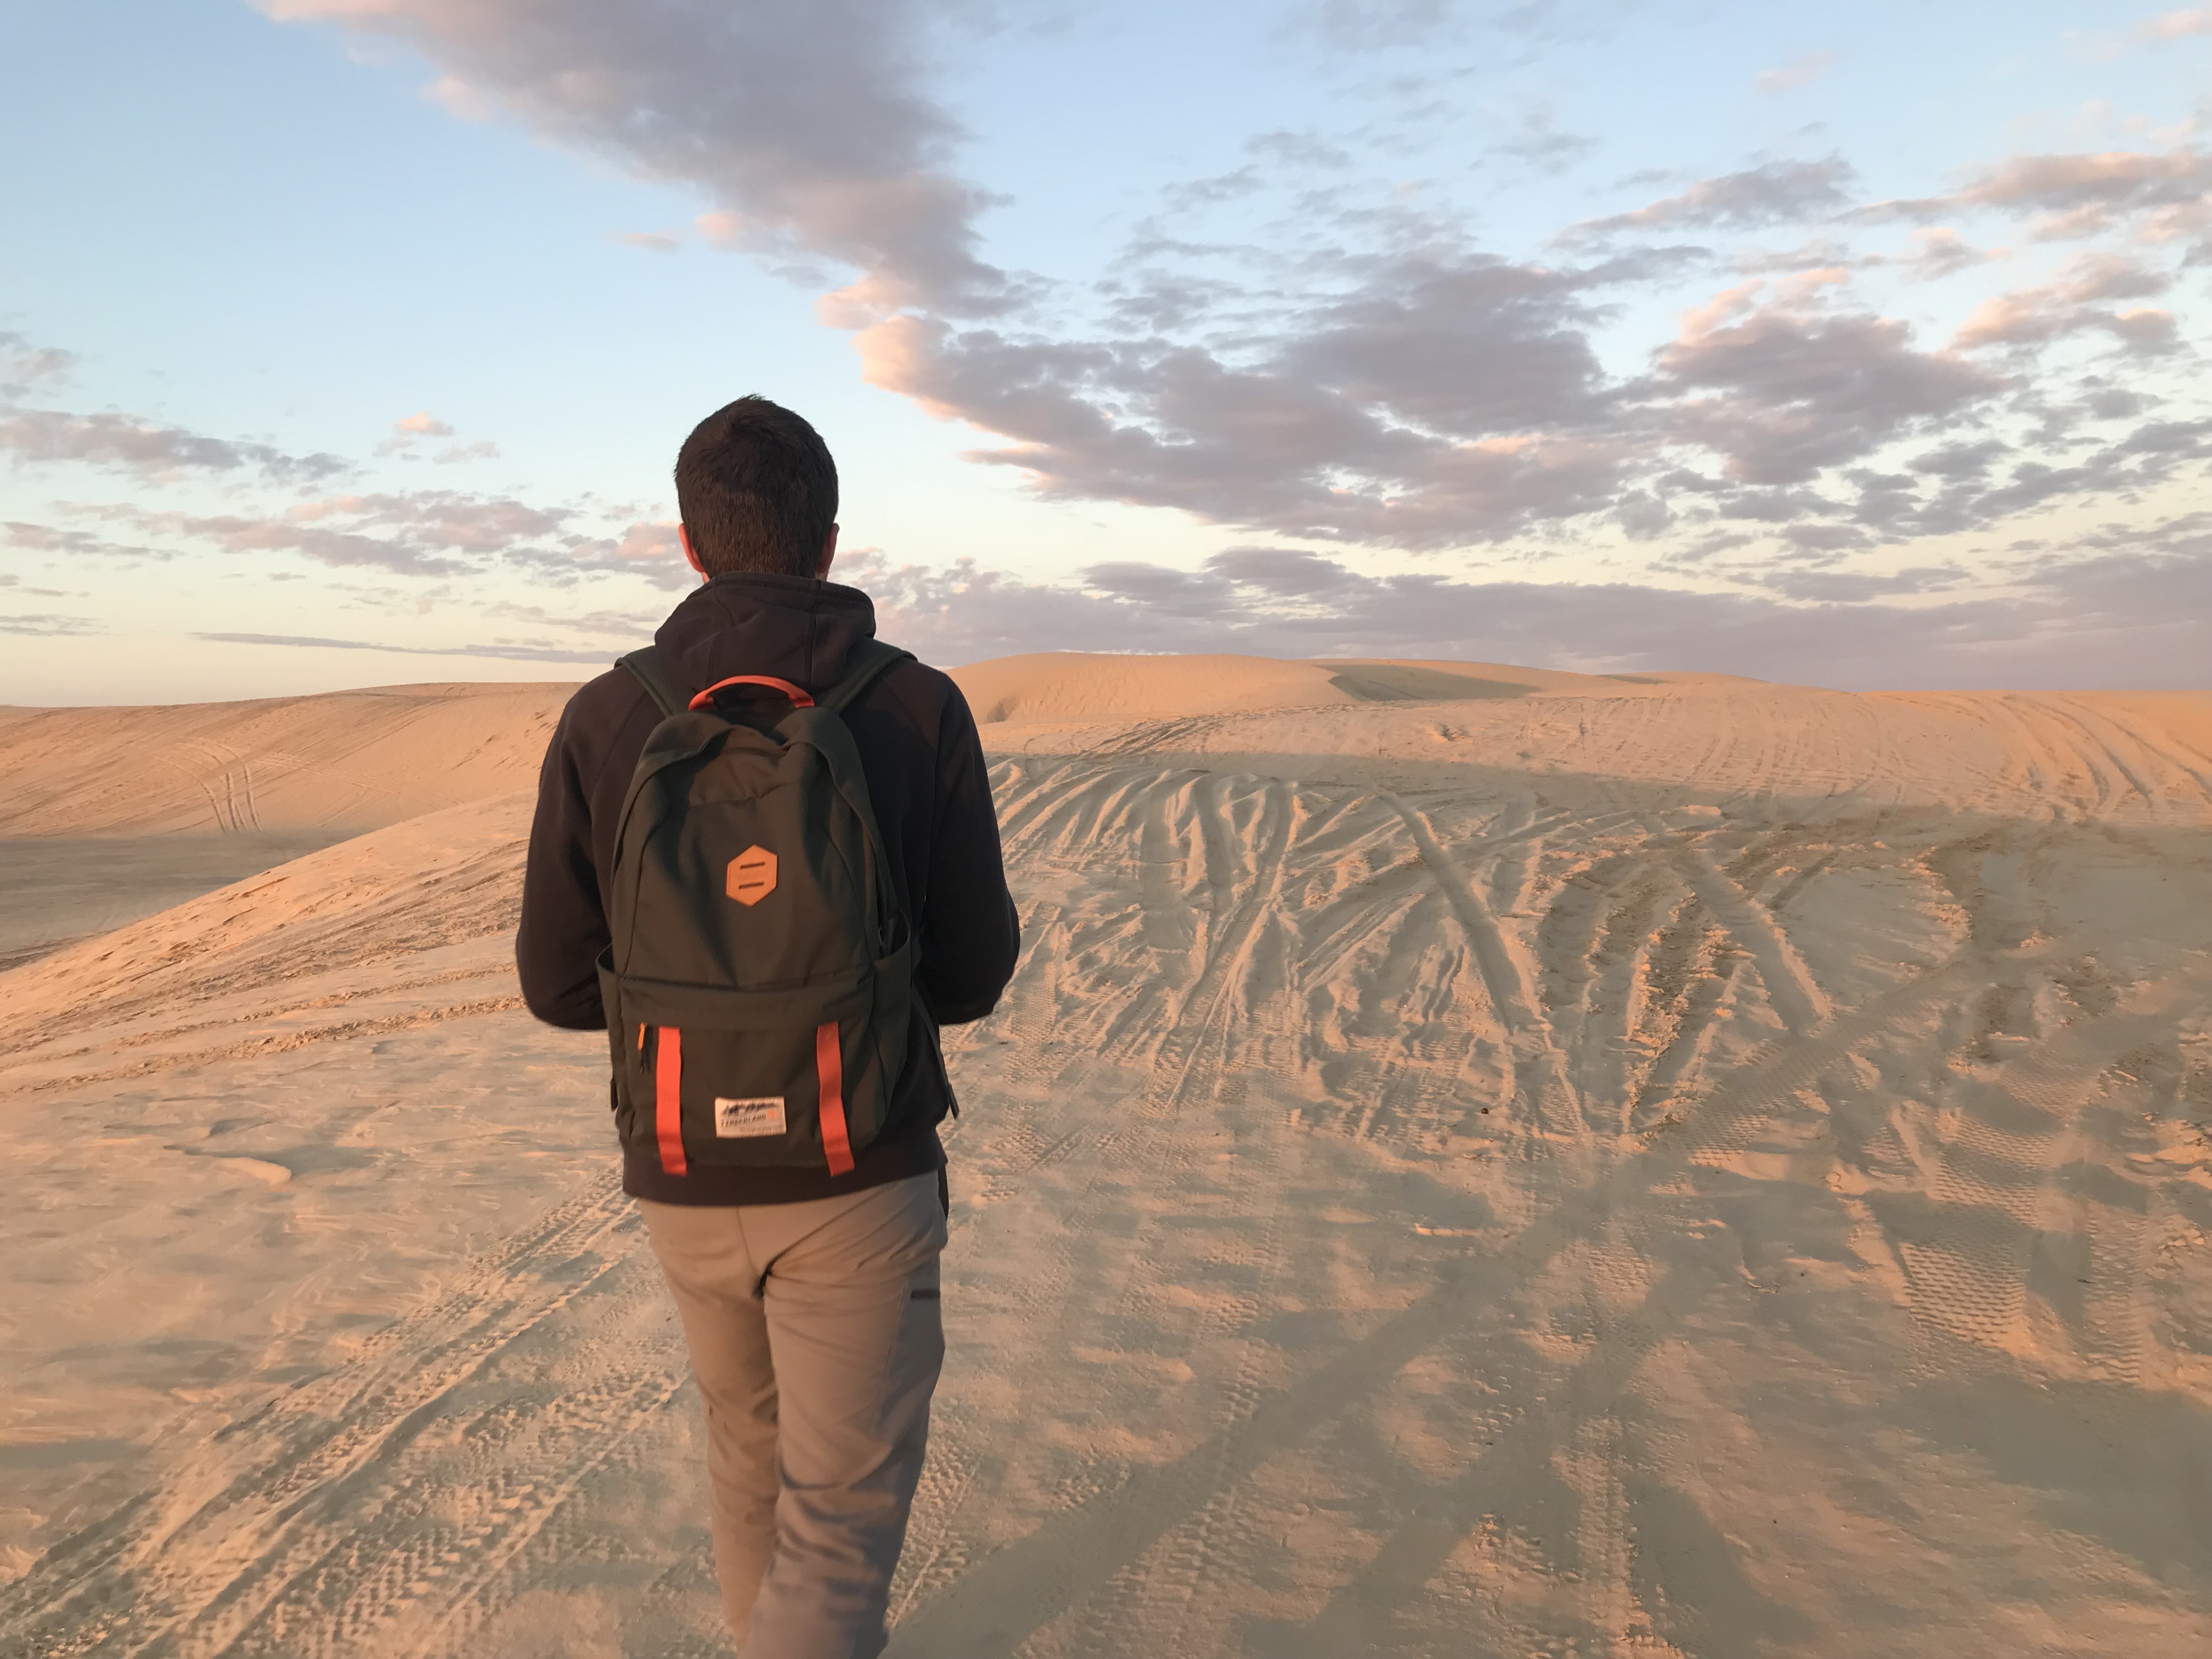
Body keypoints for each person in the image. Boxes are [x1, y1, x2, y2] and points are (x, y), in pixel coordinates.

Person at [516, 394, 1020, 1657]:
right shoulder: (916, 707)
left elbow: (556, 984)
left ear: (687, 546)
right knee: (840, 1527)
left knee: (747, 1451)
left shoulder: (606, 713)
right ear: (832, 542)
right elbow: (973, 971)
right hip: (859, 1165)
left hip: (682, 1163)